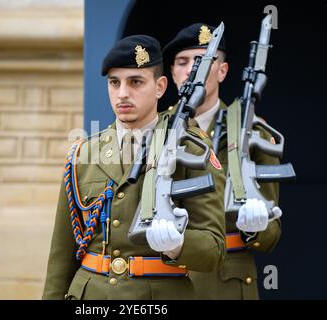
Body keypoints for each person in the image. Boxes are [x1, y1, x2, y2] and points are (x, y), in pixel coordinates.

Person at [42, 34, 226, 300]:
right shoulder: (83, 153)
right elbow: (62, 255)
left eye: (136, 82)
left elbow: (214, 250)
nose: (123, 93)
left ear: (160, 87)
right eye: (114, 83)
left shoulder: (191, 150)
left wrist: (178, 246)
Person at [162, 23, 281, 300]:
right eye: (182, 62)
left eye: (203, 60)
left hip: (225, 283)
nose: (192, 68)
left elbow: (272, 234)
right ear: (172, 73)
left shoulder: (254, 133)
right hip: (163, 280)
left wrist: (256, 227)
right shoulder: (152, 131)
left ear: (223, 70)